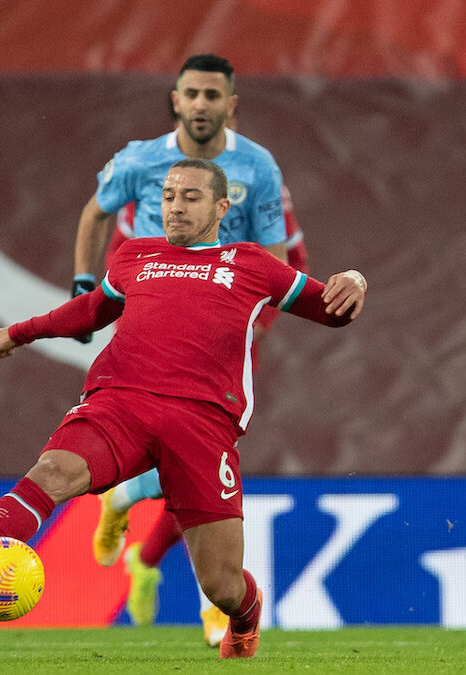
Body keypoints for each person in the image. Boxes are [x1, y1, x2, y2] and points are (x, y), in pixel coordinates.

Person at [0, 158, 367, 660]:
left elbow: (331, 311)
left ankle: (244, 619)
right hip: (120, 401)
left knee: (222, 586)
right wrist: (21, 332)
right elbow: (90, 311)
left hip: (202, 423)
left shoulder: (252, 263)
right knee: (52, 470)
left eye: (190, 197)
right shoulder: (135, 255)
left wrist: (354, 281)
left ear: (221, 206)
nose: (175, 206)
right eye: (168, 195)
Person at [94, 100, 311, 646]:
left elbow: (291, 262)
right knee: (191, 469)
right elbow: (119, 248)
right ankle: (215, 607)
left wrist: (263, 311)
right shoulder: (153, 187)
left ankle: (140, 544)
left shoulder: (261, 184)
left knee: (199, 469)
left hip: (229, 340)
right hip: (162, 335)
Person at [71, 53, 288, 347]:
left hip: (220, 319)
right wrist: (82, 287)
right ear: (177, 102)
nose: (200, 104)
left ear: (230, 105)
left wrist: (257, 321)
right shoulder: (140, 160)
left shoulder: (258, 166)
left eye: (211, 95)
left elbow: (274, 257)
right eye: (191, 94)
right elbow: (95, 213)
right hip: (147, 312)